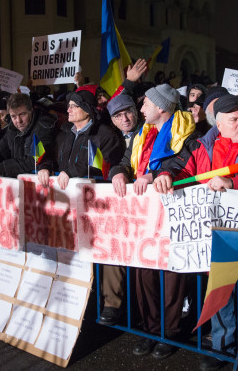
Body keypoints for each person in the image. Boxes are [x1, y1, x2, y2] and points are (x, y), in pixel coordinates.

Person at [154, 95, 238, 370]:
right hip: (215, 239)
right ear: (219, 124)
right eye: (234, 119)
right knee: (220, 297)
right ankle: (223, 348)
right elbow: (179, 167)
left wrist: (236, 182)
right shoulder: (201, 146)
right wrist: (165, 174)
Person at [109, 83, 195, 359]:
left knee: (171, 276)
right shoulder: (142, 135)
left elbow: (186, 160)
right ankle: (150, 328)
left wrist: (161, 173)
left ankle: (169, 332)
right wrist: (119, 173)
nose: (140, 108)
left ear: (160, 108)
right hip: (144, 216)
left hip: (173, 214)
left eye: (145, 103)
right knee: (143, 273)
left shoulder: (188, 131)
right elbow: (125, 161)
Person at [97, 93, 144, 326]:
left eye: (127, 112)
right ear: (112, 120)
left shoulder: (149, 131)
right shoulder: (112, 137)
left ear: (136, 112)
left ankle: (144, 313)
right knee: (112, 249)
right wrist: (118, 172)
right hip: (121, 206)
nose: (124, 118)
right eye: (117, 115)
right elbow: (120, 163)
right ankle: (112, 304)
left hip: (147, 204)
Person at [39, 89, 123, 189]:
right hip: (63, 192)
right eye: (68, 106)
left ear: (87, 110)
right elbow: (51, 157)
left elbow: (105, 166)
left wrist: (71, 173)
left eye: (74, 106)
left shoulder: (106, 135)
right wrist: (45, 167)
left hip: (91, 194)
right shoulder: (64, 133)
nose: (68, 110)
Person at [0, 93, 56, 181]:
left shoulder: (43, 127)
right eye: (13, 116)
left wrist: (0, 168)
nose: (18, 121)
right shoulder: (12, 129)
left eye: (22, 114)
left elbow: (35, 159)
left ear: (31, 110)